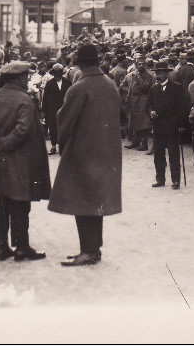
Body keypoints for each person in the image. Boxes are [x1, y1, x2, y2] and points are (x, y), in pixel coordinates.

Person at [49, 43, 123, 267]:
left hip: (83, 153)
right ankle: (94, 248)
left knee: (81, 202)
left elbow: (64, 121)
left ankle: (87, 251)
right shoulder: (110, 85)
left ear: (78, 63)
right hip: (107, 153)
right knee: (96, 201)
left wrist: (63, 142)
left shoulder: (78, 88)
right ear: (98, 61)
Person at [0, 61, 51, 262]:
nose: (27, 80)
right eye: (25, 76)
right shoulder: (25, 100)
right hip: (19, 162)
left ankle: (2, 247)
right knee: (20, 204)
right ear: (16, 78)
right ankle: (22, 247)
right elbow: (23, 129)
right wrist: (5, 144)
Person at [147, 60, 190, 189]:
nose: (158, 75)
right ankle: (160, 179)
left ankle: (175, 180)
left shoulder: (177, 87)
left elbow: (184, 107)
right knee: (158, 154)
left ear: (167, 74)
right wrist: (151, 112)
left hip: (172, 126)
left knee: (173, 154)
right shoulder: (154, 89)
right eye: (157, 72)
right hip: (158, 126)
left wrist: (182, 124)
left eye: (161, 72)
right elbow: (148, 105)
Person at [124, 58, 155, 152]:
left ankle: (144, 143)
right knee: (135, 121)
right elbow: (130, 87)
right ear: (136, 65)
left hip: (143, 99)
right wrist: (128, 98)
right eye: (139, 64)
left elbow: (145, 88)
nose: (141, 66)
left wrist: (137, 80)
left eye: (142, 64)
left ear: (145, 65)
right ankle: (136, 141)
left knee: (144, 122)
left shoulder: (148, 76)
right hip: (135, 100)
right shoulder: (134, 74)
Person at [41, 63, 69, 155]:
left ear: (61, 73)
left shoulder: (67, 82)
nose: (57, 76)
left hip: (64, 109)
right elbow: (45, 98)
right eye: (56, 74)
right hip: (52, 110)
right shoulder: (49, 84)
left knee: (64, 127)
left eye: (59, 74)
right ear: (53, 74)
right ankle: (53, 147)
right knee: (52, 128)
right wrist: (43, 111)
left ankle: (63, 146)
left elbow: (71, 96)